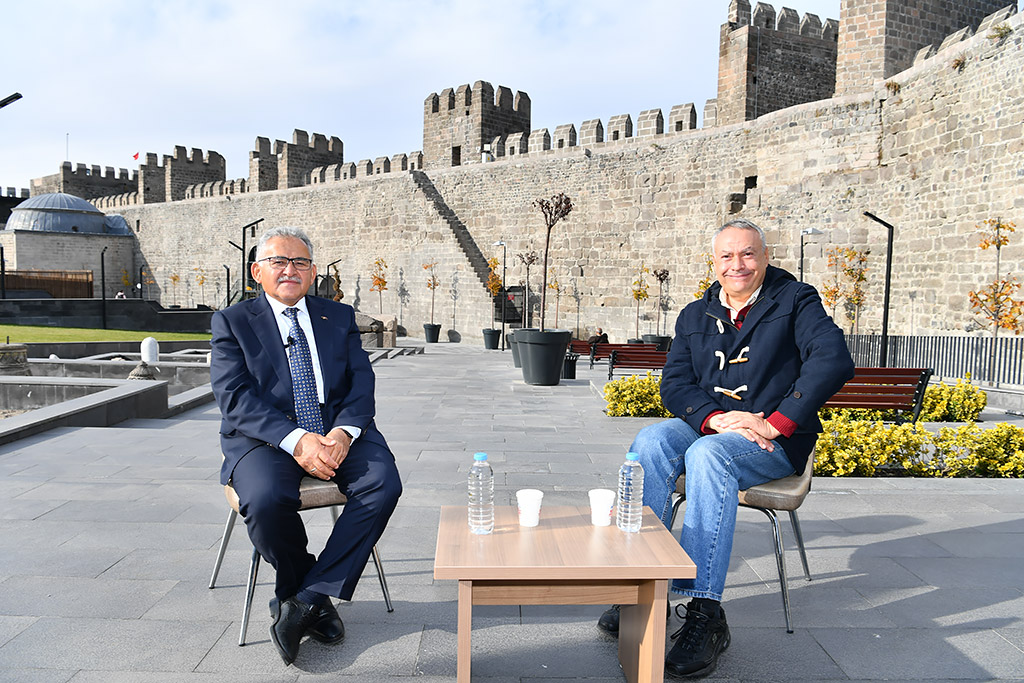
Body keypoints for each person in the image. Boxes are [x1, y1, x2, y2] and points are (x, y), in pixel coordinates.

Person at [597, 219, 853, 678]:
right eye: (727, 257)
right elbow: (674, 384)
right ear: (714, 263)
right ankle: (639, 587)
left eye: (748, 254)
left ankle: (705, 612)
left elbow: (832, 358)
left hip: (770, 442)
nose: (738, 265)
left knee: (707, 456)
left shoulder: (795, 300)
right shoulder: (696, 314)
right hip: (712, 427)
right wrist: (714, 418)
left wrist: (776, 423)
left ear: (766, 256)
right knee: (651, 441)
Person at [210, 226, 402, 666]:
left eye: (299, 262)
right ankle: (307, 592)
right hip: (266, 437)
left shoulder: (338, 316)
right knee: (263, 498)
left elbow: (362, 383)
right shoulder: (232, 322)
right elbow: (235, 398)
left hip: (337, 430)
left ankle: (305, 600)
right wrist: (297, 441)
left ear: (313, 272)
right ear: (257, 271)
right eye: (278, 261)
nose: (289, 270)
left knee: (382, 484)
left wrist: (340, 433)